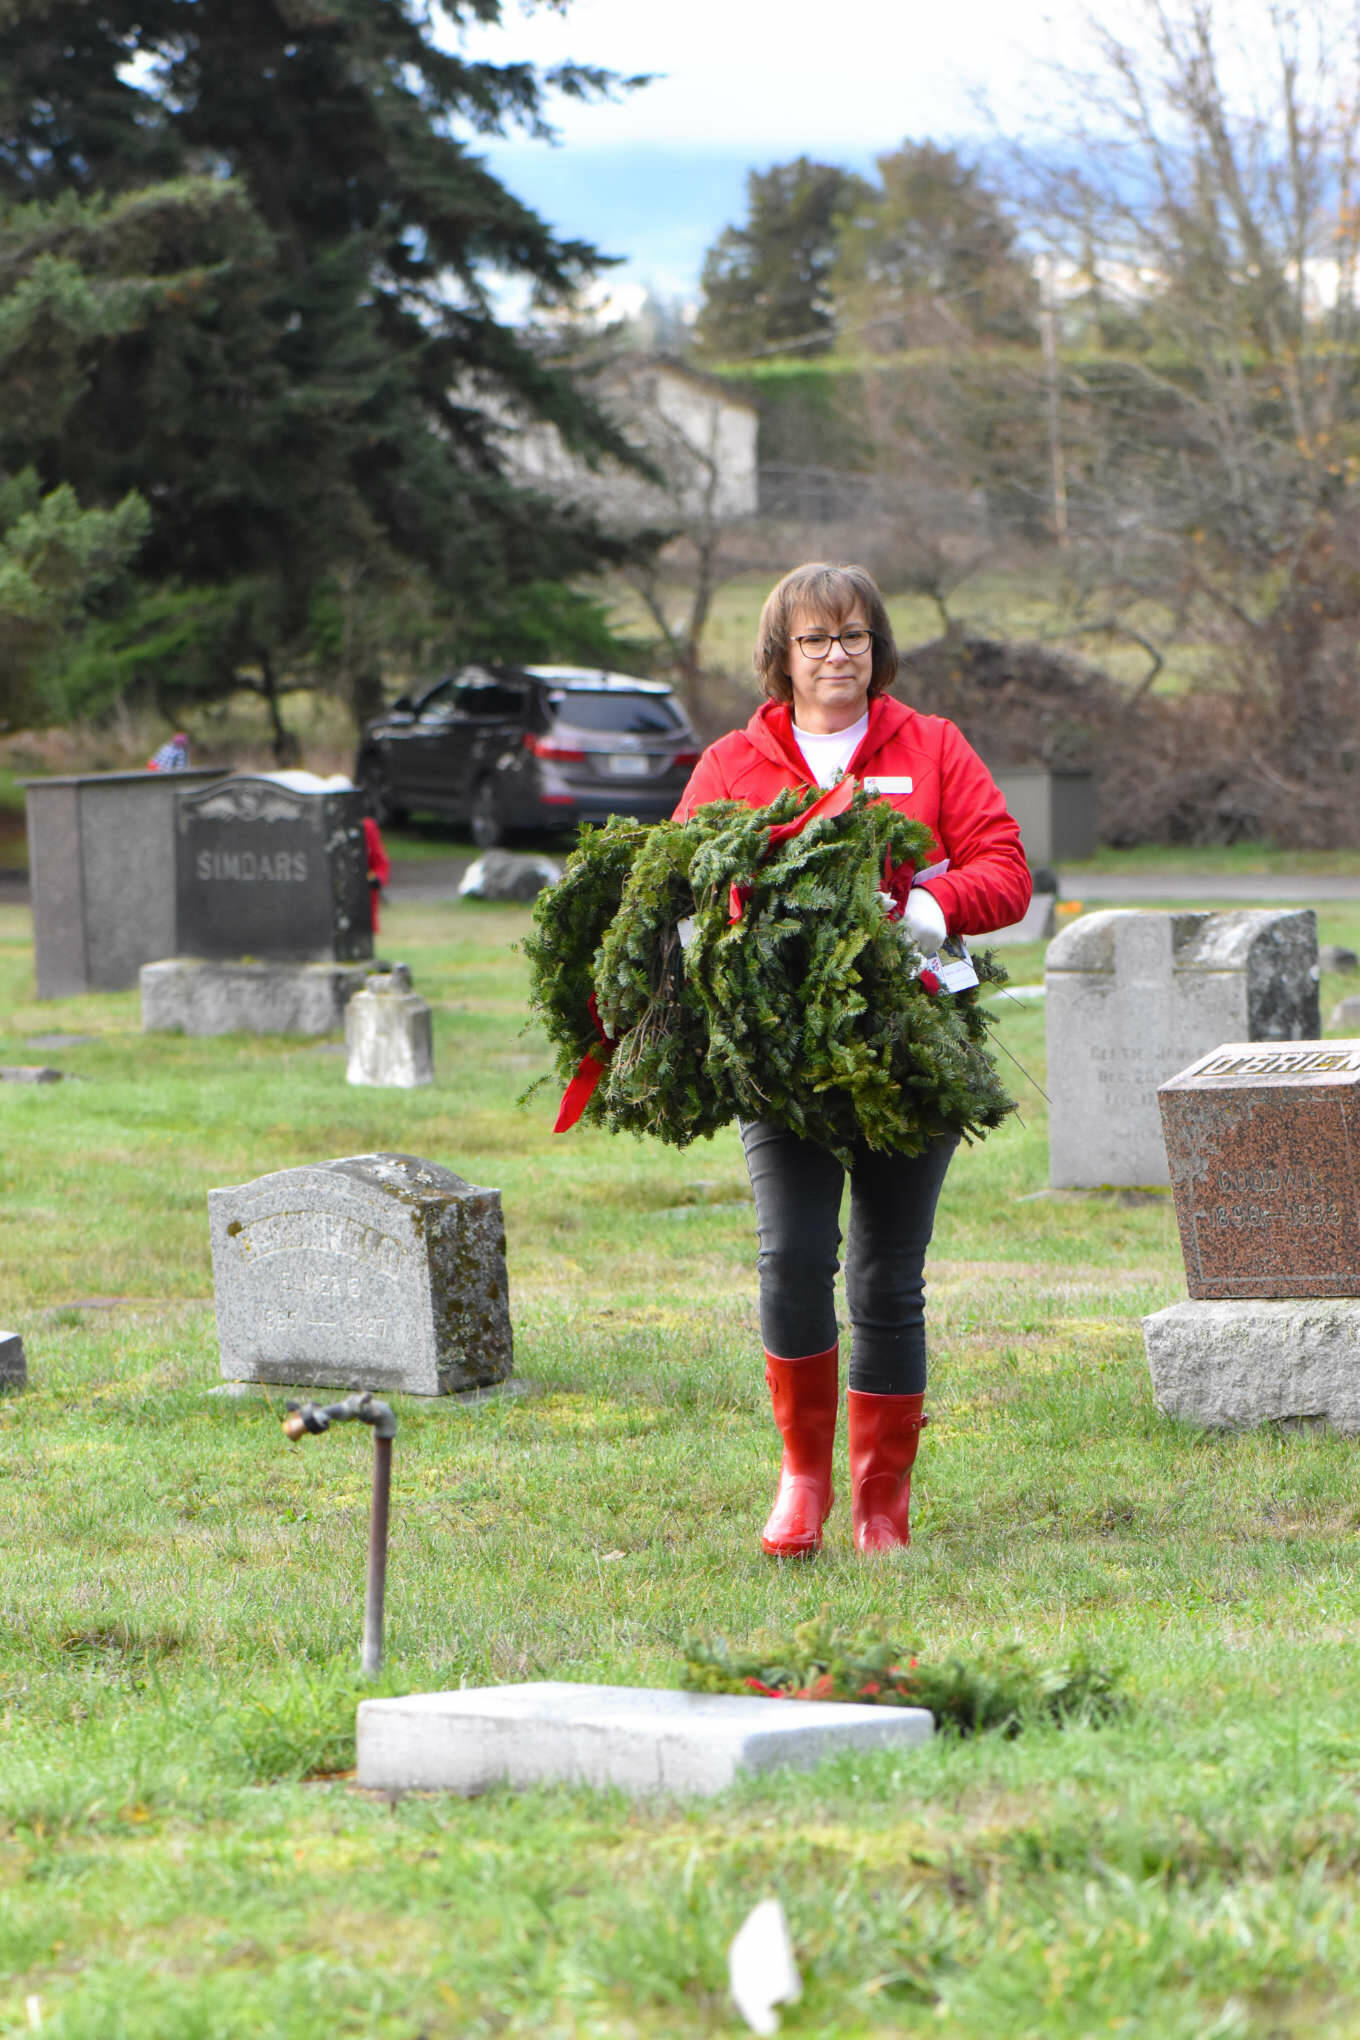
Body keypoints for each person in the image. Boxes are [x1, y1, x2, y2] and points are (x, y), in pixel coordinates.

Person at [673, 561, 1030, 1557]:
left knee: (886, 1275)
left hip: (912, 1044)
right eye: (816, 639)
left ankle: (882, 1502)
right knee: (791, 1257)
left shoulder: (933, 746)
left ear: (877, 647)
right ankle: (803, 1481)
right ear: (780, 655)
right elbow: (682, 888)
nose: (838, 655)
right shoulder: (731, 765)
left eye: (855, 636)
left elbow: (1005, 869)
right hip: (784, 1060)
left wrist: (930, 906)